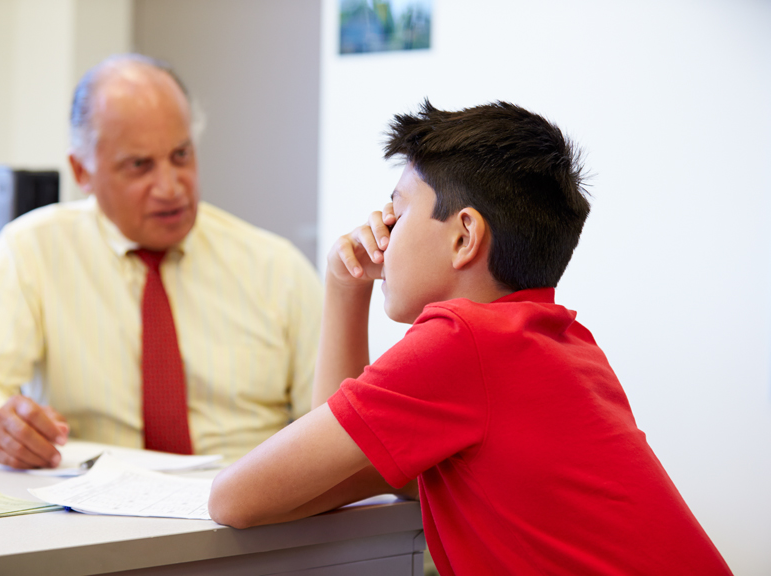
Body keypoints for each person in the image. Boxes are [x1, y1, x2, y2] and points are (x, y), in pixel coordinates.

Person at [207, 101, 733, 575]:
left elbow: (234, 499)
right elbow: (335, 471)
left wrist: (343, 288)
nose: (382, 231)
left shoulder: (462, 342)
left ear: (463, 236)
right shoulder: (559, 341)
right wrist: (347, 288)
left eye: (398, 208)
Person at [0, 54, 321, 468]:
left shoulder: (278, 269)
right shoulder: (33, 250)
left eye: (181, 155)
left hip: (249, 508)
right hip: (93, 514)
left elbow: (336, 422)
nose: (170, 187)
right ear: (82, 171)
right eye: (139, 166)